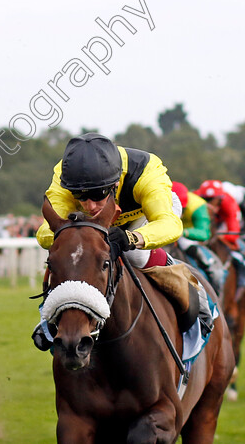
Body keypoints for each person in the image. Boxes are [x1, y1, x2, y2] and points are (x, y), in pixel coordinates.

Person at [32, 133, 212, 350]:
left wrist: (132, 238)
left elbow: (170, 225)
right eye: (80, 196)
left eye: (97, 195)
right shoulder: (64, 176)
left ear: (115, 183)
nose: (89, 206)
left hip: (143, 214)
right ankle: (50, 317)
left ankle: (194, 293)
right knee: (74, 255)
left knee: (136, 254)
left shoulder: (147, 172)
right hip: (96, 226)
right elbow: (45, 233)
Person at [171, 181, 224, 292]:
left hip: (187, 238)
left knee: (213, 269)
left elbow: (204, 233)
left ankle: (213, 293)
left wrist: (183, 232)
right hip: (167, 231)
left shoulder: (198, 206)